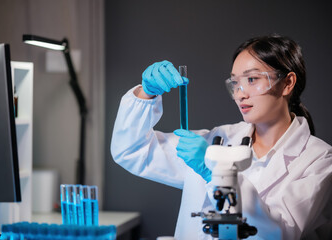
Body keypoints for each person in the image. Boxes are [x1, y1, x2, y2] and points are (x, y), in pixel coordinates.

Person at [110, 34, 332, 239]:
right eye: (235, 83)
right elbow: (131, 150)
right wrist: (146, 93)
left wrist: (215, 172)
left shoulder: (319, 160)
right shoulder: (219, 139)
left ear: (287, 83)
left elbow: (282, 233)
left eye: (252, 79)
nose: (240, 94)